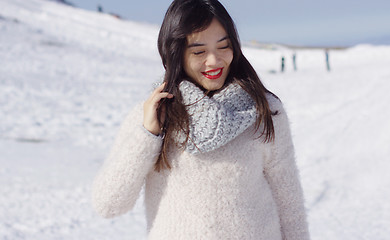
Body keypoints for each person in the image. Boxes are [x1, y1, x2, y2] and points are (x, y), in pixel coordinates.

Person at [91, 0, 310, 239]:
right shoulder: (155, 115)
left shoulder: (264, 110)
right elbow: (109, 204)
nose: (214, 61)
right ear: (175, 54)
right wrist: (148, 134)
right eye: (199, 52)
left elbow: (289, 205)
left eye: (223, 46)